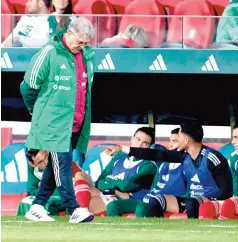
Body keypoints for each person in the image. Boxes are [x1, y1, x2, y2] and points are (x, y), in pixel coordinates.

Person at [20, 17, 95, 223]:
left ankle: (36, 206)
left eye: (86, 43)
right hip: (53, 122)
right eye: (80, 42)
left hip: (75, 122)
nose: (82, 46)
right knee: (62, 164)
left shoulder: (87, 57)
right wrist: (38, 113)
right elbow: (27, 87)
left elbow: (84, 91)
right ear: (69, 33)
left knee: (55, 168)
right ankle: (73, 209)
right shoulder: (49, 52)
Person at [102, 122, 233, 219]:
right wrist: (122, 148)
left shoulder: (212, 158)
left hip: (211, 201)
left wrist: (205, 198)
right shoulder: (184, 155)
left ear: (186, 140)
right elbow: (157, 155)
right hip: (190, 200)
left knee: (192, 203)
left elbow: (226, 190)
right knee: (157, 200)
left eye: (179, 137)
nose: (175, 141)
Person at [72, 127, 157, 217]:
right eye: (138, 139)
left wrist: (109, 182)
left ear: (150, 147)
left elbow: (126, 186)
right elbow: (99, 181)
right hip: (111, 194)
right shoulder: (119, 156)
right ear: (132, 139)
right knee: (80, 175)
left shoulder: (149, 165)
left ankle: (81, 211)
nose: (139, 145)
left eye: (145, 143)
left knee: (85, 202)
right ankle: (82, 211)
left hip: (127, 201)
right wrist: (116, 191)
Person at [136, 128, 189, 218]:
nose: (170, 145)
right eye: (170, 141)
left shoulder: (188, 164)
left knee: (143, 207)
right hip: (150, 199)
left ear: (185, 142)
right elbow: (154, 187)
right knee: (114, 205)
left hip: (169, 201)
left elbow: (190, 190)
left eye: (175, 141)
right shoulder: (164, 164)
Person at [17, 149, 82, 216]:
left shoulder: (64, 163)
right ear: (32, 164)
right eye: (40, 162)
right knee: (26, 201)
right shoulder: (32, 169)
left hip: (70, 198)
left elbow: (72, 189)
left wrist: (43, 188)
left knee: (49, 202)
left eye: (47, 157)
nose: (46, 162)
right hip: (49, 197)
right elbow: (32, 189)